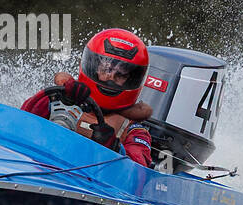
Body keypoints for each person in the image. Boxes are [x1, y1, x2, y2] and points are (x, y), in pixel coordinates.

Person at [19, 28, 155, 167]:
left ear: (132, 80)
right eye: (106, 69)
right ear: (94, 67)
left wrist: (113, 147)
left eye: (120, 75)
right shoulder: (60, 99)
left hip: (88, 184)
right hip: (40, 170)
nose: (110, 78)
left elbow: (139, 168)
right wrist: (59, 96)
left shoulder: (134, 129)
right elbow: (20, 122)